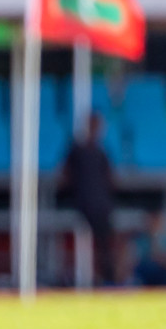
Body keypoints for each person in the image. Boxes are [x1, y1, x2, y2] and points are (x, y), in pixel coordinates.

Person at [61, 113, 116, 286]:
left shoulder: (101, 152)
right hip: (84, 204)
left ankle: (107, 277)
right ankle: (91, 276)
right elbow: (64, 176)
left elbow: (111, 178)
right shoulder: (76, 150)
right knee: (94, 239)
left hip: (101, 205)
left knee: (106, 241)